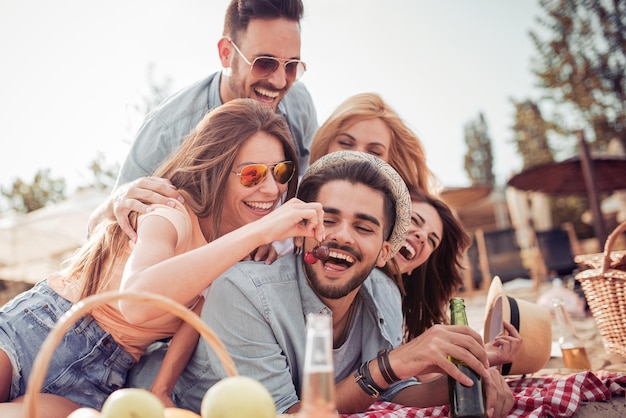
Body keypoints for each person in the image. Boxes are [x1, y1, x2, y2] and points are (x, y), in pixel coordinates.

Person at [0, 99, 326, 418]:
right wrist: (259, 233)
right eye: (252, 175)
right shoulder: (171, 212)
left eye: (281, 172)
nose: (271, 189)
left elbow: (193, 317)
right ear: (216, 170)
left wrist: (161, 389)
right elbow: (137, 302)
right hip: (44, 323)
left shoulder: (235, 249)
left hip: (105, 374)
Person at [128, 151, 514, 416]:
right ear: (300, 229)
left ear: (384, 252)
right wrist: (393, 364)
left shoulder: (384, 293)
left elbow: (392, 392)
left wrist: (463, 383)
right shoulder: (244, 292)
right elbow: (288, 415)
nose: (342, 237)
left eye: (363, 227)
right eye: (327, 220)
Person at [89, 0, 317, 241]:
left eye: (291, 66)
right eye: (264, 63)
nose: (280, 81)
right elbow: (97, 231)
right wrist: (116, 201)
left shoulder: (298, 102)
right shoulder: (167, 130)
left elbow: (306, 187)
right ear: (226, 54)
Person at [384, 186, 522, 380]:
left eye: (432, 241)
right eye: (414, 220)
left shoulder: (390, 299)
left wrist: (478, 359)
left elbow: (402, 375)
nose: (422, 236)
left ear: (412, 268)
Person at [309, 92, 437, 193]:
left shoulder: (410, 218)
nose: (358, 156)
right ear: (325, 146)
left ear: (391, 165)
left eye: (374, 152)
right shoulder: (291, 200)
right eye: (345, 143)